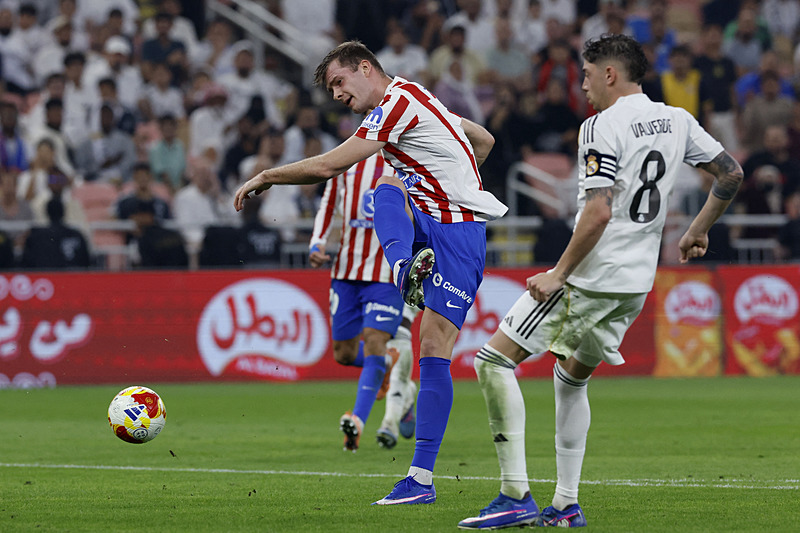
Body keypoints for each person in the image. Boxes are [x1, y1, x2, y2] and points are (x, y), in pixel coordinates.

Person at [459, 34, 743, 529]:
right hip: (635, 282)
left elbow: (598, 211)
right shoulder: (677, 119)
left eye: (587, 75)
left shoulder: (600, 126)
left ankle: (514, 495)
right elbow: (731, 173)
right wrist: (698, 230)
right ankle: (565, 506)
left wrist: (558, 273)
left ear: (610, 73)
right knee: (571, 377)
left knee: (492, 361)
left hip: (591, 277)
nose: (583, 86)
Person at [234, 40, 505, 505]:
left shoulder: (396, 102)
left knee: (434, 346)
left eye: (339, 82)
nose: (337, 95)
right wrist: (452, 179)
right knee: (388, 186)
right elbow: (483, 140)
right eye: (331, 90)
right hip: (433, 219)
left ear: (365, 67)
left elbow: (327, 166)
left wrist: (266, 176)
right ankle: (404, 269)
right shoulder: (418, 96)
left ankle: (420, 479)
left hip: (459, 236)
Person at [309, 150, 417, 451]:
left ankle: (357, 419)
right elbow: (329, 202)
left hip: (386, 273)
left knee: (373, 339)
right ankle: (387, 364)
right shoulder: (347, 156)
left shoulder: (407, 161)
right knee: (343, 353)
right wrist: (317, 242)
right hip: (346, 272)